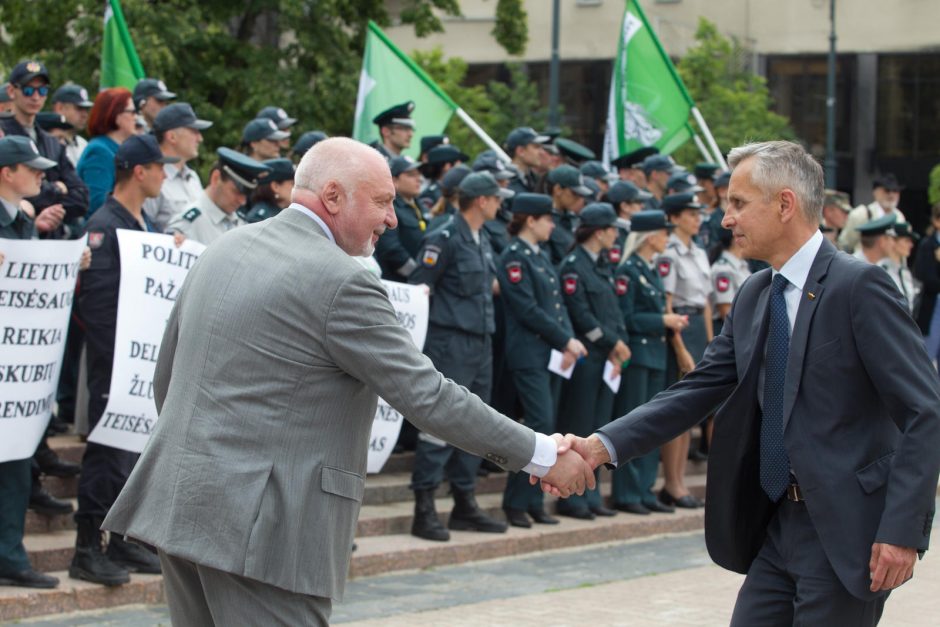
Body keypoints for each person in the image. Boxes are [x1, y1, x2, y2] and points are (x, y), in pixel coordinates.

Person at [102, 138, 592, 624]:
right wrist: (543, 454)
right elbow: (429, 397)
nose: (392, 219)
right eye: (382, 202)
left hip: (182, 504)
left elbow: (166, 380)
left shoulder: (222, 248)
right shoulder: (343, 281)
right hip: (267, 529)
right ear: (332, 196)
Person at [558, 140, 940, 626]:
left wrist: (903, 531)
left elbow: (924, 410)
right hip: (777, 526)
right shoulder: (756, 293)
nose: (725, 219)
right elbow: (696, 390)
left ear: (784, 204)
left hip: (847, 533)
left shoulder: (858, 287)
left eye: (738, 203)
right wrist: (599, 447)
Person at [73, 134, 176, 586]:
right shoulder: (105, 224)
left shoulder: (144, 223)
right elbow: (95, 306)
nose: (165, 175)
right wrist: (120, 359)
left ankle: (122, 542)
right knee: (106, 456)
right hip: (115, 365)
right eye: (160, 167)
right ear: (140, 171)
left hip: (140, 367)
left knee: (134, 457)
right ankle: (85, 550)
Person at [407, 172, 516, 542]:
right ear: (481, 201)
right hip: (450, 342)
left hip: (481, 343)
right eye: (496, 198)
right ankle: (424, 507)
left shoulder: (482, 238)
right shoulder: (445, 236)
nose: (501, 204)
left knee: (478, 423)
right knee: (438, 424)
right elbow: (421, 288)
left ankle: (464, 502)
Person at [0, 135, 85, 589]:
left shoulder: (22, 222)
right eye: (30, 168)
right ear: (6, 173)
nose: (41, 175)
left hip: (15, 373)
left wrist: (70, 264)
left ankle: (9, 554)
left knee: (15, 466)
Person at [497, 193, 588, 528]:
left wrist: (567, 343)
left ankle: (532, 501)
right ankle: (516, 501)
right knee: (538, 423)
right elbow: (527, 309)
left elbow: (557, 305)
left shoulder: (540, 255)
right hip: (528, 352)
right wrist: (565, 339)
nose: (553, 224)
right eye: (547, 219)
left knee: (546, 427)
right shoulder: (514, 257)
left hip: (548, 353)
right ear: (531, 220)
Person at [556, 203, 631, 520]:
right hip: (587, 357)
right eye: (613, 229)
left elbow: (612, 311)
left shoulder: (600, 264)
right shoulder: (574, 266)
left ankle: (591, 494)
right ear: (600, 231)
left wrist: (618, 345)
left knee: (599, 429)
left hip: (606, 358)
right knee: (581, 425)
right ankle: (571, 498)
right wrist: (612, 342)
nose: (616, 235)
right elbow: (581, 314)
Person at [609, 210, 686, 515]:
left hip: (654, 354)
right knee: (634, 425)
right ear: (650, 235)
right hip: (638, 355)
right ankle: (627, 492)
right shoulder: (628, 271)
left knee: (651, 425)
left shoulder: (650, 269)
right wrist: (662, 319)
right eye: (664, 232)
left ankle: (644, 489)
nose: (667, 237)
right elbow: (627, 318)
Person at [657, 192, 713, 505]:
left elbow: (705, 302)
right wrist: (680, 347)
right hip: (677, 328)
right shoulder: (669, 253)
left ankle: (679, 483)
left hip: (696, 330)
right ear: (675, 217)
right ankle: (672, 484)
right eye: (690, 214)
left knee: (690, 414)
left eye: (698, 213)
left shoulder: (700, 252)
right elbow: (667, 303)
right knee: (677, 409)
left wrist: (709, 342)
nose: (697, 219)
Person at [1, 61, 88, 236]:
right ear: (11, 91)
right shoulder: (3, 135)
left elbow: (81, 198)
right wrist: (56, 189)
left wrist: (45, 207)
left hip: (49, 243)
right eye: (28, 90)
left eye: (42, 91)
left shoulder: (51, 142)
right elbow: (7, 189)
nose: (35, 97)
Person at [167, 148, 271, 246]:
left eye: (246, 195)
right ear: (215, 178)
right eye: (236, 192)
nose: (243, 201)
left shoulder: (239, 221)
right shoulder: (188, 224)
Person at [143, 103, 212, 232]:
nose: (200, 138)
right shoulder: (152, 177)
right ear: (171, 137)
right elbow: (143, 230)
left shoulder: (192, 177)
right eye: (194, 131)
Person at [76, 87, 137, 215]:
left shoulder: (116, 149)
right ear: (116, 115)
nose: (136, 118)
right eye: (132, 112)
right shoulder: (99, 152)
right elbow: (98, 203)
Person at [374, 155, 425, 281]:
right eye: (411, 175)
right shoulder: (389, 208)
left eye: (418, 174)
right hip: (399, 286)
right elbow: (391, 250)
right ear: (394, 180)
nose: (419, 179)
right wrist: (417, 275)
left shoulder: (418, 205)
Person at [839, 173, 907, 254]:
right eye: (887, 190)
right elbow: (845, 244)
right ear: (875, 192)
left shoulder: (899, 216)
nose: (891, 195)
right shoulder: (861, 214)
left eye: (895, 191)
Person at [545, 164, 593, 266]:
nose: (579, 198)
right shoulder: (543, 221)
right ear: (558, 189)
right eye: (574, 193)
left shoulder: (573, 219)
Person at [709, 227, 751, 336]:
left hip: (744, 327)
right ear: (735, 239)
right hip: (731, 331)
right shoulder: (723, 269)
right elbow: (726, 311)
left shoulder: (741, 265)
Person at [913, 203, 940, 369]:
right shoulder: (928, 245)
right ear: (936, 221)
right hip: (933, 308)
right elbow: (923, 274)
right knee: (926, 361)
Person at [50, 83, 93, 167]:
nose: (85, 115)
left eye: (86, 109)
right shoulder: (45, 142)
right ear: (60, 108)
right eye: (79, 108)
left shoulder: (83, 144)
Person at [244, 158, 295, 223]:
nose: (295, 188)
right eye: (292, 184)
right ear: (275, 187)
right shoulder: (259, 218)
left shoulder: (281, 211)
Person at [505, 126, 549, 195]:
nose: (542, 152)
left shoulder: (533, 180)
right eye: (536, 147)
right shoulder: (505, 183)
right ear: (521, 151)